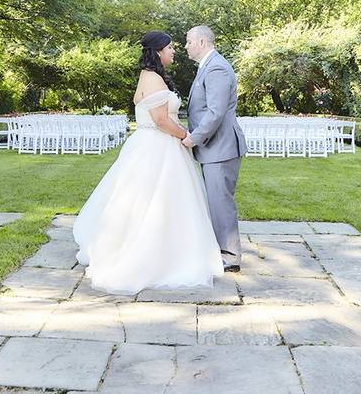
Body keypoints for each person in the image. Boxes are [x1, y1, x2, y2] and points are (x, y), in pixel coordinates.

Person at [73, 30, 224, 294]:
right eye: (170, 48)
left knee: (155, 201)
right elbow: (161, 120)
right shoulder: (153, 79)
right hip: (158, 146)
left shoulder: (150, 76)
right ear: (158, 51)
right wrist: (186, 136)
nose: (174, 51)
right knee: (156, 201)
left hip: (151, 144)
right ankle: (155, 255)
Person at [182, 25, 247, 272]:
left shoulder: (217, 67)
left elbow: (216, 112)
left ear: (201, 41)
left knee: (221, 202)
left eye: (188, 41)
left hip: (221, 147)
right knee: (215, 201)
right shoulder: (208, 66)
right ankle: (221, 250)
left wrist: (193, 138)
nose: (185, 46)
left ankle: (230, 257)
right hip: (214, 149)